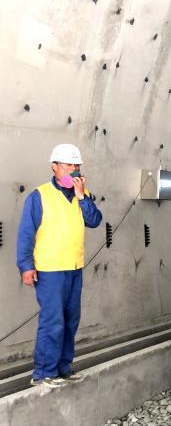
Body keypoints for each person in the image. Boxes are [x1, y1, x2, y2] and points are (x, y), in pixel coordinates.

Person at [16, 143, 103, 388]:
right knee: (52, 321)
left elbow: (95, 221)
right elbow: (26, 233)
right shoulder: (39, 195)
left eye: (77, 165)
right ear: (54, 167)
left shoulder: (81, 194)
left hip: (74, 268)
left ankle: (63, 368)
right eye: (68, 165)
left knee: (70, 320)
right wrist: (26, 266)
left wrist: (82, 196)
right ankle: (43, 372)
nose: (74, 170)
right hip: (50, 270)